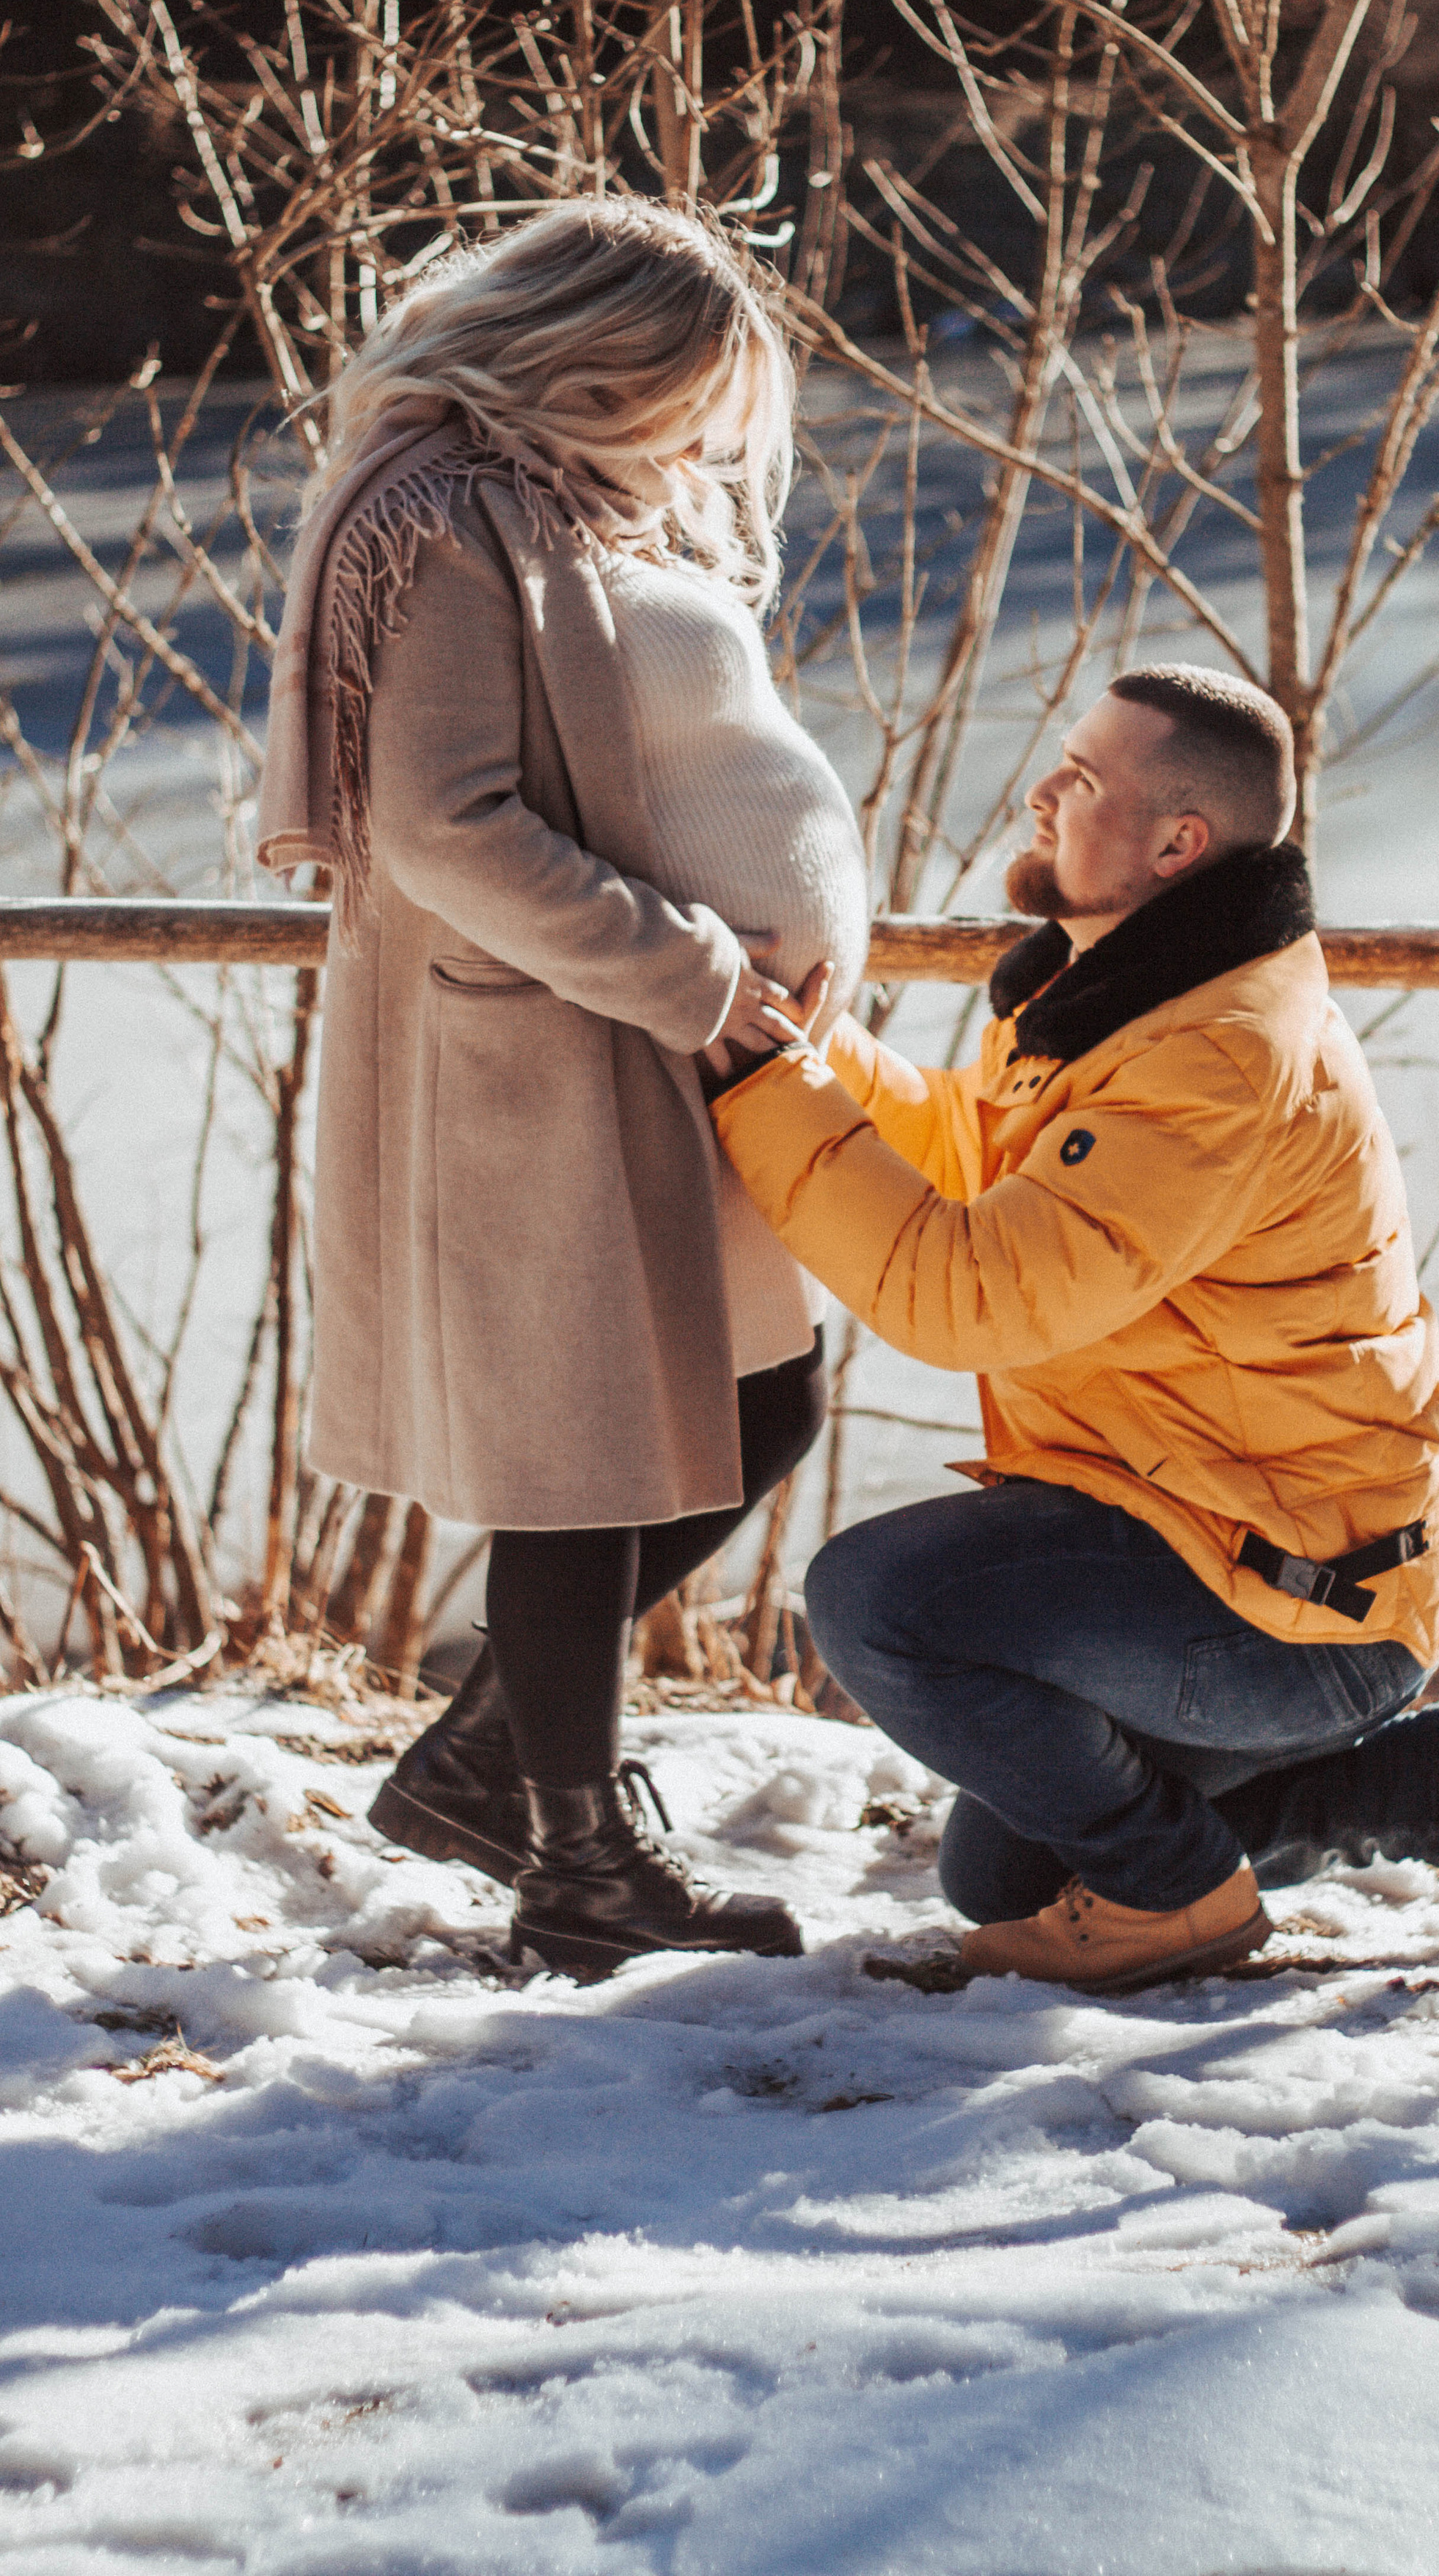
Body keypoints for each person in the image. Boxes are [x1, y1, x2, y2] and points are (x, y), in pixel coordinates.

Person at [708, 666, 1439, 1995]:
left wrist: (760, 1092)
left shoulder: (1215, 1055)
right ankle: (1434, 1786)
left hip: (1302, 1597)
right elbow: (985, 1163)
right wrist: (815, 1061)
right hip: (1216, 1531)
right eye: (1064, 758)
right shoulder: (1129, 992)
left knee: (874, 1603)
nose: (1044, 789)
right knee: (1003, 1882)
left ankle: (1182, 1904)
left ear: (1180, 844)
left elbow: (971, 1288)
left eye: (1086, 780)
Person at [257, 197, 871, 1980]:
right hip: (545, 1057)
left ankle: (489, 1761)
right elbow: (446, 829)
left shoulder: (552, 501)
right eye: (679, 399)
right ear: (587, 362)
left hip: (667, 1053)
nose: (694, 445)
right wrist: (702, 982)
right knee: (585, 1465)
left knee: (762, 1404)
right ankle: (578, 1862)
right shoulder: (443, 523)